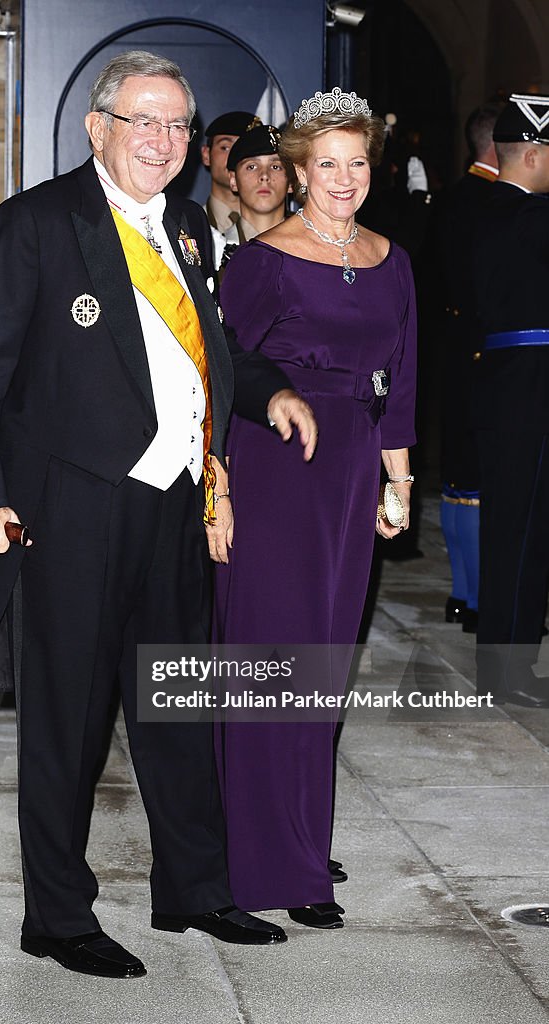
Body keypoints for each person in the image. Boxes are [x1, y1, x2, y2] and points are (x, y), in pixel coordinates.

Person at [0, 50, 318, 980]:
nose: (161, 140)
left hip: (173, 505)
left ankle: (195, 888)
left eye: (178, 125)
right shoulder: (35, 223)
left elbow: (207, 348)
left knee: (177, 703)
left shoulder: (187, 227)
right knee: (66, 722)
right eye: (142, 120)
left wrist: (263, 393)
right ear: (97, 127)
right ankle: (57, 917)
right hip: (70, 506)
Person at [213, 87, 417, 928]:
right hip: (274, 470)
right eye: (325, 164)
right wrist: (215, 490)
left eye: (356, 163)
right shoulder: (263, 261)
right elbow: (220, 378)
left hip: (349, 475)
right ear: (297, 173)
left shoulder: (391, 258)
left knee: (321, 669)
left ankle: (297, 843)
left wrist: (396, 481)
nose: (342, 179)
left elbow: (400, 383)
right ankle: (261, 858)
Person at [472, 92, 549, 708]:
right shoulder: (525, 215)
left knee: (520, 526)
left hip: (511, 379)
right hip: (530, 381)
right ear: (532, 154)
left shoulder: (486, 208)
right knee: (522, 529)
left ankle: (508, 662)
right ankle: (507, 671)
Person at [431, 101, 503, 634]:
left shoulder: (451, 199)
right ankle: (480, 600)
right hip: (489, 353)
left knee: (458, 481)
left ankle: (461, 592)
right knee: (482, 482)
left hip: (451, 350)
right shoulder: (501, 203)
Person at [214, 122, 292, 275]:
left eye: (276, 167)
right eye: (252, 166)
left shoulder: (312, 249)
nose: (264, 176)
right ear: (233, 180)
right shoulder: (215, 253)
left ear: (291, 181)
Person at [201, 110, 261, 252]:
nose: (234, 156)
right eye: (225, 147)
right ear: (206, 155)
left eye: (245, 148)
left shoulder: (281, 227)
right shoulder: (188, 225)